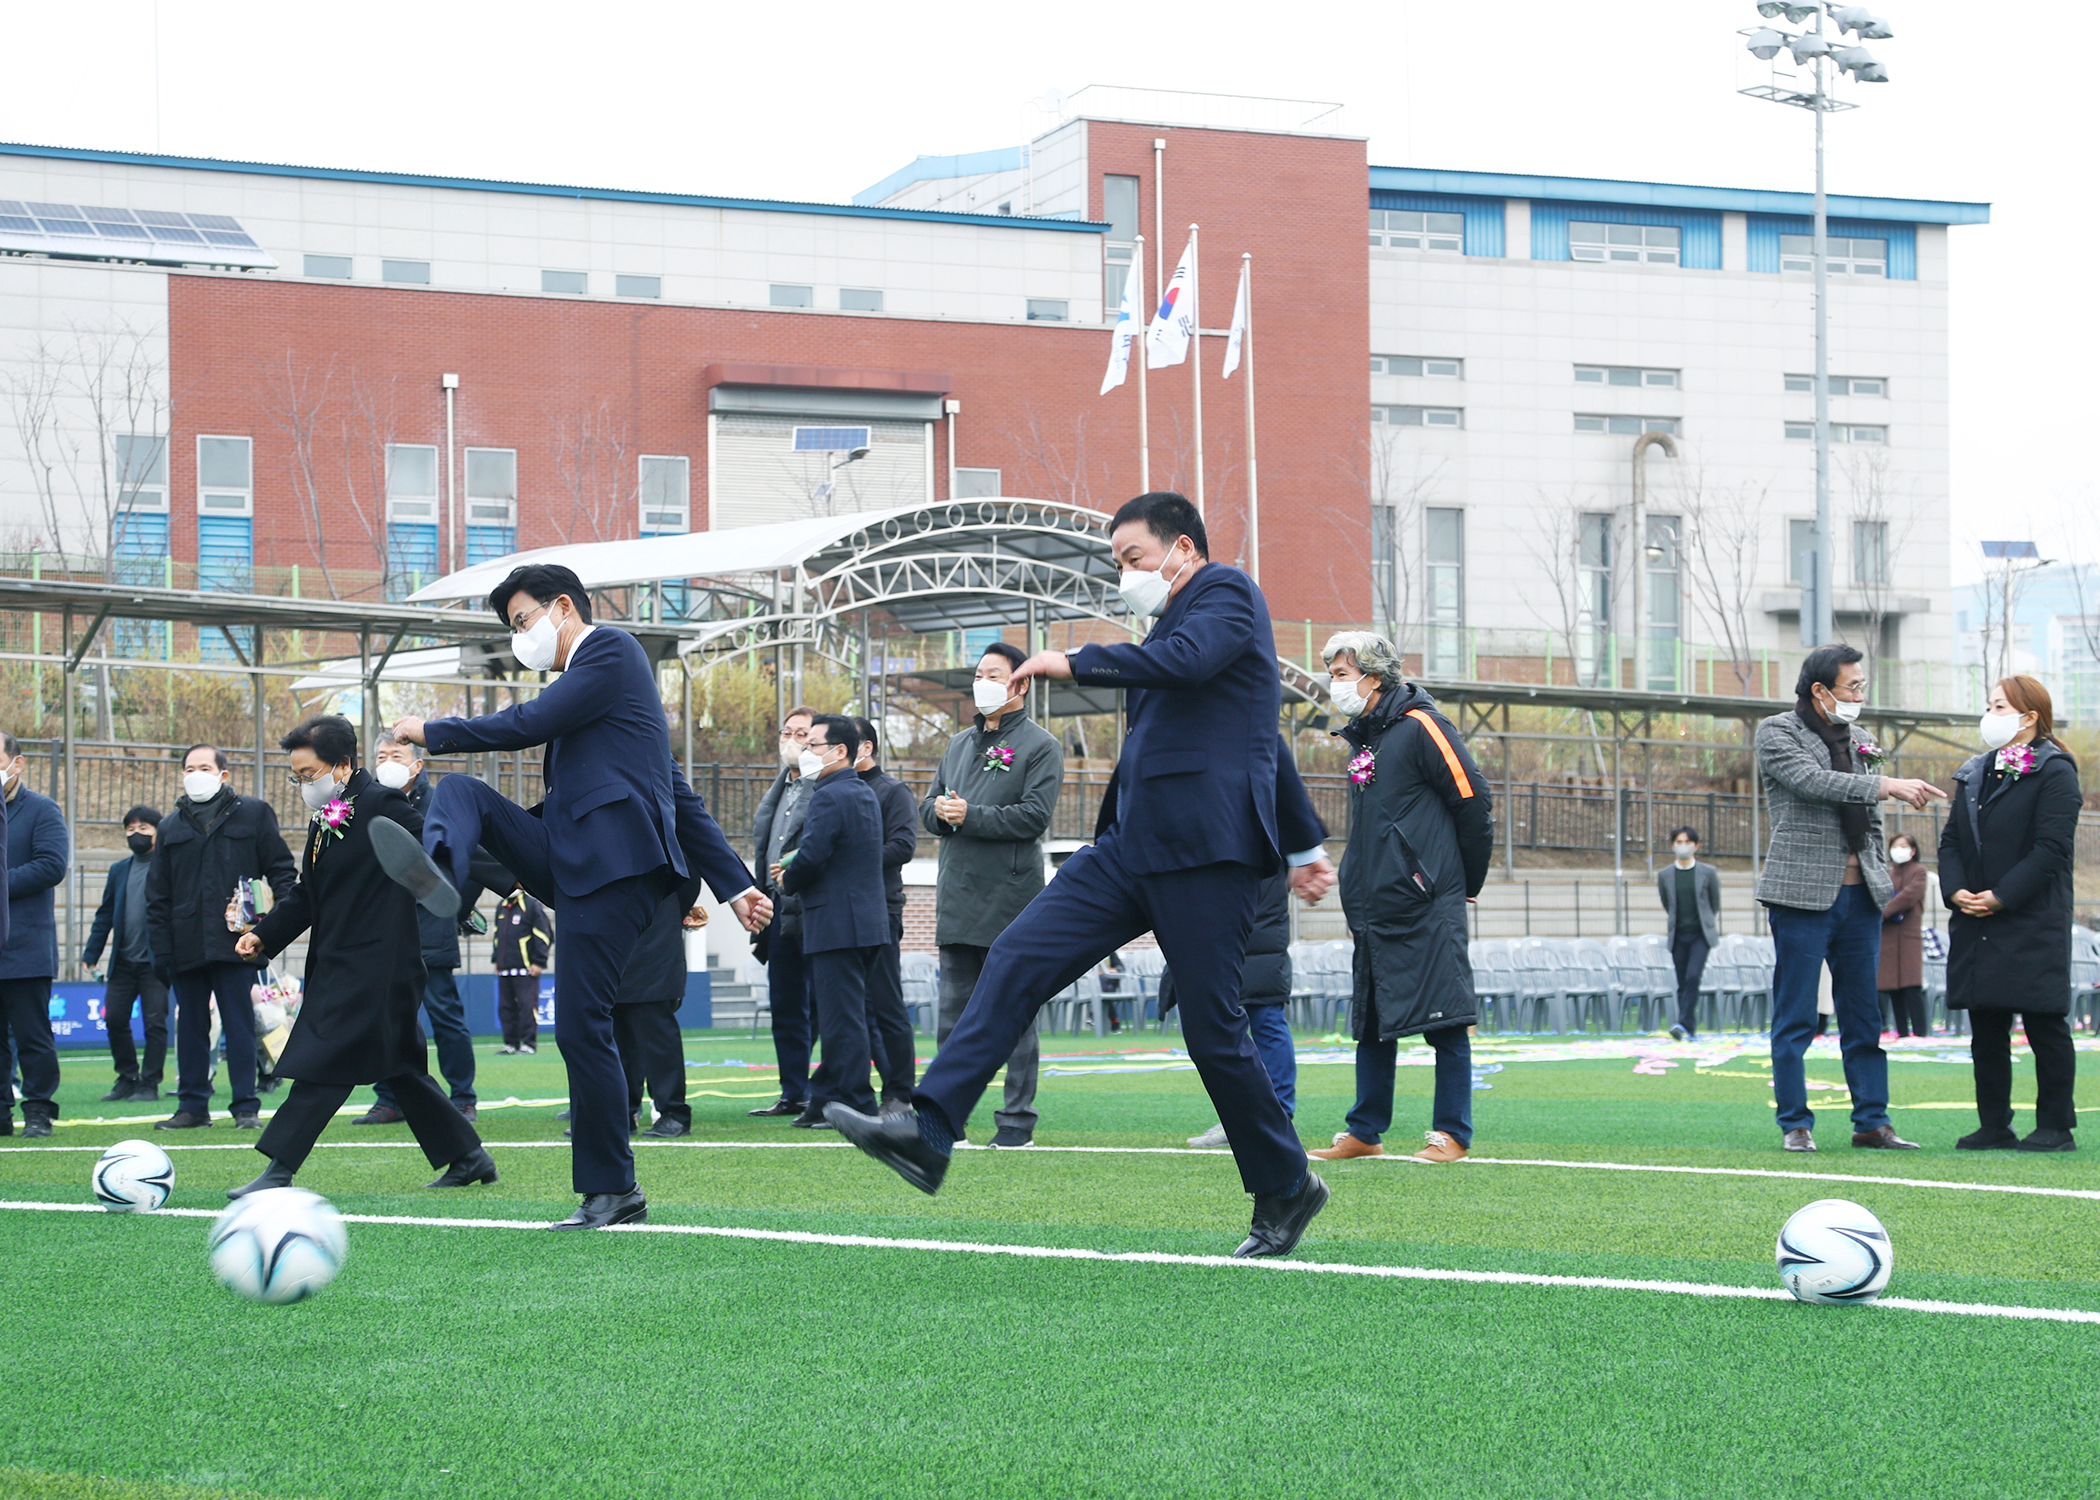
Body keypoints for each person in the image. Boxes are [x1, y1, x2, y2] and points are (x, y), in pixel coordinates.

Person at [829, 492, 1337, 1259]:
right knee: (1018, 955)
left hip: (1208, 853)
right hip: (1130, 850)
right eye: (1119, 563)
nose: (1126, 574)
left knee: (1214, 1033)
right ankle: (930, 1130)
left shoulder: (1228, 596)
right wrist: (1303, 846)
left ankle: (1286, 1186)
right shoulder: (1170, 627)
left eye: (1134, 558)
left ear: (1184, 551)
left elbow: (1205, 684)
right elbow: (1261, 741)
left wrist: (1075, 659)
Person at [390, 562, 768, 1229]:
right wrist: (737, 885)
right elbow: (682, 797)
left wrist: (434, 728)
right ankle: (442, 873)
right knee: (458, 793)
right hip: (569, 856)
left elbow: (531, 722)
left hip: (617, 869)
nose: (519, 638)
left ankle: (613, 1190)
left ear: (562, 606)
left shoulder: (610, 653)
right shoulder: (605, 704)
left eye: (522, 621)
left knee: (579, 1026)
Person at [227, 715, 495, 1198]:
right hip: (340, 960)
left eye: (309, 774)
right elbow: (308, 894)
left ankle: (279, 1167)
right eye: (297, 776)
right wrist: (264, 935)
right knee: (401, 1069)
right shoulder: (328, 813)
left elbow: (444, 846)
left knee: (327, 1059)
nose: (302, 784)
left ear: (344, 765)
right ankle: (468, 1157)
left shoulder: (381, 804)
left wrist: (505, 881)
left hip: (378, 966)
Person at [1307, 633, 1493, 1165]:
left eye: (1341, 673)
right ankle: (1365, 1129)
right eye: (1332, 672)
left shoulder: (1422, 726)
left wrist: (1463, 883)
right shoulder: (1365, 739)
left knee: (1446, 1017)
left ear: (1375, 675)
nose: (1334, 683)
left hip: (1426, 903)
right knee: (1372, 1020)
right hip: (1373, 906)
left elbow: (1474, 801)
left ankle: (1451, 1133)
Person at [1755, 644, 1947, 1153]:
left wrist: (1880, 867)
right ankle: (1795, 1123)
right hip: (1801, 895)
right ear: (1820, 690)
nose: (1860, 694)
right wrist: (1886, 784)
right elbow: (1811, 782)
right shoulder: (1777, 731)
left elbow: (1875, 815)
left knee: (1863, 1014)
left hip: (1863, 898)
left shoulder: (1862, 737)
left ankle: (1872, 1121)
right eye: (1852, 686)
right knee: (1796, 1013)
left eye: (1862, 685)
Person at [918, 642, 1062, 1148]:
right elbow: (926, 807)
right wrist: (938, 812)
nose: (983, 682)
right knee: (952, 1013)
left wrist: (970, 816)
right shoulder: (958, 743)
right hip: (957, 894)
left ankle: (1016, 1121)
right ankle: (942, 1117)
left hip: (1011, 897)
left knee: (1014, 1010)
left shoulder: (1041, 745)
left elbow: (1034, 817)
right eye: (979, 673)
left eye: (994, 674)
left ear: (1020, 683)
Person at [1940, 676, 2082, 1152]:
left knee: (2044, 1022)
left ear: (2029, 717)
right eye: (1988, 705)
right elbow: (1952, 841)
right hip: (1977, 915)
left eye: (1998, 705)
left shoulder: (2056, 769)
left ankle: (2056, 1126)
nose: (1990, 713)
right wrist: (1957, 889)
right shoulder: (1976, 771)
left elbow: (2052, 850)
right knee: (1986, 1024)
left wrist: (2001, 895)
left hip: (2030, 914)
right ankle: (1994, 1123)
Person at [356, 730, 511, 1125]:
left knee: (444, 1015)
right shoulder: (365, 803)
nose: (388, 761)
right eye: (382, 755)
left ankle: (463, 1097)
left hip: (430, 925)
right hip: (381, 928)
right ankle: (389, 1097)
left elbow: (474, 855)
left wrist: (457, 905)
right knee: (386, 1017)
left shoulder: (441, 803)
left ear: (417, 764)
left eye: (396, 753)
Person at [777, 715, 889, 1125]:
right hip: (862, 920)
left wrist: (788, 877)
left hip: (836, 922)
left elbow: (814, 854)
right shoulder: (860, 792)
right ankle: (825, 1097)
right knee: (847, 1013)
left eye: (814, 745)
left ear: (840, 751)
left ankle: (856, 1100)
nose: (807, 753)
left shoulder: (828, 795)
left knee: (842, 1017)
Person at [1183, 869, 1302, 1148]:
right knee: (1234, 1026)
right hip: (1243, 925)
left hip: (1256, 928)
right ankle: (1246, 1116)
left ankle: (1274, 1116)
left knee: (1265, 1019)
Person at [746, 707, 816, 1118]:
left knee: (823, 1004)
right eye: (786, 731)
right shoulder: (779, 789)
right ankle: (793, 1090)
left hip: (813, 908)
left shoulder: (825, 786)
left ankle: (827, 1090)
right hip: (776, 908)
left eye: (802, 733)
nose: (791, 739)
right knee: (786, 1002)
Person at [0, 733, 68, 1138]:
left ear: (17, 763)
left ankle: (39, 1109)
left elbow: (51, 865)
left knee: (33, 1036)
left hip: (26, 946)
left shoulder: (42, 809)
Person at [853, 715, 919, 1113]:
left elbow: (902, 847)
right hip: (835, 913)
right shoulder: (825, 790)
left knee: (885, 1003)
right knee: (849, 1007)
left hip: (879, 908)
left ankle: (899, 1091)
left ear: (867, 747)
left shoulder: (892, 791)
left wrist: (849, 862)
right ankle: (850, 1090)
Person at [82, 804, 169, 1103]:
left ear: (158, 832)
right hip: (123, 962)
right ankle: (127, 1077)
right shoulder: (119, 870)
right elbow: (105, 914)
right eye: (130, 829)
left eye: (144, 828)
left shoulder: (168, 865)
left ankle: (150, 1083)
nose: (137, 834)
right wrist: (91, 952)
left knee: (155, 1023)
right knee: (115, 1019)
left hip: (156, 963)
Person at [615, 885, 702, 1140]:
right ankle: (621, 1112)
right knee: (615, 1032)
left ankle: (673, 1113)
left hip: (654, 933)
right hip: (614, 934)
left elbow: (687, 878)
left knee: (655, 1033)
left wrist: (674, 907)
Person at [1656, 825, 1722, 1041]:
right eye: (1679, 842)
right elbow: (1667, 903)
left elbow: (1714, 903)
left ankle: (1682, 1023)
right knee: (1682, 981)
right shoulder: (1665, 875)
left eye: (1687, 842)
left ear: (1696, 846)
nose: (1683, 847)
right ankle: (1687, 1026)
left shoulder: (1708, 872)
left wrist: (1705, 923)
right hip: (1678, 936)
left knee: (1693, 976)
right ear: (1673, 846)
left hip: (1700, 935)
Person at [1879, 833, 1929, 1039]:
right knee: (1892, 986)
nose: (1899, 850)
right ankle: (1902, 1032)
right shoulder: (1888, 873)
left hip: (1908, 934)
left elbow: (1909, 896)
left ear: (1913, 850)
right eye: (1895, 846)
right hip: (1887, 935)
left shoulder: (1919, 872)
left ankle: (1920, 1031)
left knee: (1911, 985)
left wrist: (1883, 912)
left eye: (1903, 846)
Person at [492, 886, 551, 1054]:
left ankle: (529, 1043)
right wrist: (496, 960)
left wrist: (539, 961)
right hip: (504, 968)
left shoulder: (531, 905)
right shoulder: (501, 906)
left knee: (527, 1006)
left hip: (526, 969)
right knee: (505, 1008)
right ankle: (510, 1043)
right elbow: (497, 935)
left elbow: (543, 935)